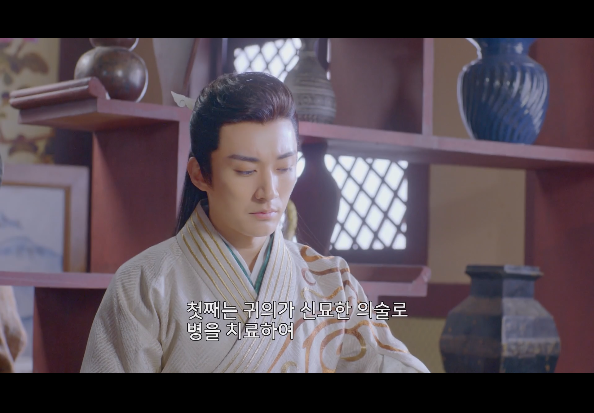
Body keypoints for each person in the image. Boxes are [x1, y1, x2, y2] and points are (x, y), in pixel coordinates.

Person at [80, 72, 429, 373]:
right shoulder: (145, 284)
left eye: (284, 168)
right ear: (200, 174)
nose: (269, 192)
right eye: (245, 171)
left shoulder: (332, 282)